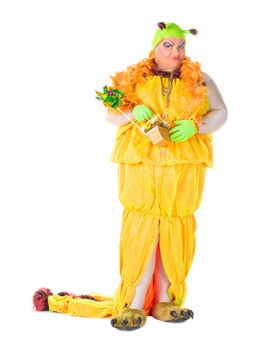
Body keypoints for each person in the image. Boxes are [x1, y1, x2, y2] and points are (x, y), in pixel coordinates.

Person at [33, 22, 228, 331]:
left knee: (175, 233)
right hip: (141, 166)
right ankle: (134, 304)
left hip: (183, 169)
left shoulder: (200, 80)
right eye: (168, 45)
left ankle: (166, 300)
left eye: (181, 46)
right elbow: (111, 113)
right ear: (155, 47)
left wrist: (197, 126)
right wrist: (133, 109)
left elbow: (221, 112)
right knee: (143, 232)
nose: (176, 51)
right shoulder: (135, 79)